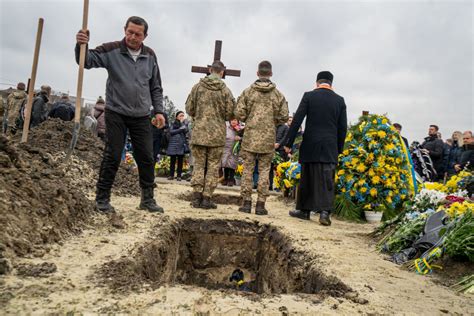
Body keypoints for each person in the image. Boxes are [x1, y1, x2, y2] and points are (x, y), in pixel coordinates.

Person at [76, 16, 166, 213]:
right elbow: (86, 61)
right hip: (116, 112)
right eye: (130, 32)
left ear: (145, 36)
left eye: (138, 34)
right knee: (113, 154)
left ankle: (148, 199)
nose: (133, 37)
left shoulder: (150, 55)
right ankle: (102, 199)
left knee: (146, 157)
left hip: (142, 115)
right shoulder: (112, 50)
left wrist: (159, 111)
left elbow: (156, 87)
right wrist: (81, 44)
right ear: (125, 30)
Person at [284, 71, 347, 226]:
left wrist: (288, 143)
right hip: (329, 146)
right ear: (331, 84)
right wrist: (338, 148)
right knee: (327, 179)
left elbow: (297, 120)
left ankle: (304, 211)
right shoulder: (339, 100)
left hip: (311, 143)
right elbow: (342, 128)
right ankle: (324, 213)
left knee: (307, 177)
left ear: (317, 83)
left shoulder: (309, 96)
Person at [235, 60, 289, 215]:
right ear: (270, 74)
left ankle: (246, 203)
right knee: (265, 170)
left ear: (258, 73)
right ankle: (260, 205)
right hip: (268, 137)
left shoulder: (248, 92)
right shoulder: (278, 95)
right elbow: (284, 116)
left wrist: (249, 119)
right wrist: (272, 122)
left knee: (247, 170)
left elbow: (239, 113)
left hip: (250, 135)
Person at [185, 60, 235, 209]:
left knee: (199, 165)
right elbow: (231, 113)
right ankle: (207, 198)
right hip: (217, 135)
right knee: (213, 166)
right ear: (222, 72)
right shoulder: (225, 91)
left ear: (210, 70)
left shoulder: (197, 87)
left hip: (199, 132)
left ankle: (196, 197)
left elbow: (189, 108)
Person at [166, 111, 188, 181]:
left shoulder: (184, 124)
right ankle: (171, 175)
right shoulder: (172, 123)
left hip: (181, 144)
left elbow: (186, 131)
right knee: (172, 160)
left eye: (183, 116)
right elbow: (171, 132)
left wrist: (182, 124)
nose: (182, 117)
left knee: (180, 161)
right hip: (173, 144)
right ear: (177, 116)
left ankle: (179, 176)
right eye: (180, 115)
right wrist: (180, 129)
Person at [221, 118, 242, 186]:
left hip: (234, 149)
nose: (234, 121)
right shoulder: (226, 127)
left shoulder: (240, 129)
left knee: (232, 164)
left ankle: (231, 180)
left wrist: (240, 138)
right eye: (232, 120)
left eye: (235, 120)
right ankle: (225, 179)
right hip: (226, 148)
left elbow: (244, 137)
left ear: (238, 122)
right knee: (226, 164)